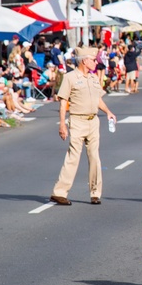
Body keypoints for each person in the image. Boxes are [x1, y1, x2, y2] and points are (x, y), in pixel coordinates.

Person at [50, 47, 117, 206]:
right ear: (84, 61)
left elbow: (98, 99)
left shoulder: (93, 78)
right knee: (73, 157)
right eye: (93, 60)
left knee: (95, 157)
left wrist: (108, 112)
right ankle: (59, 193)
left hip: (93, 121)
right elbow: (63, 102)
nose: (96, 62)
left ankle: (95, 193)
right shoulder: (70, 77)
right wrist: (62, 124)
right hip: (77, 120)